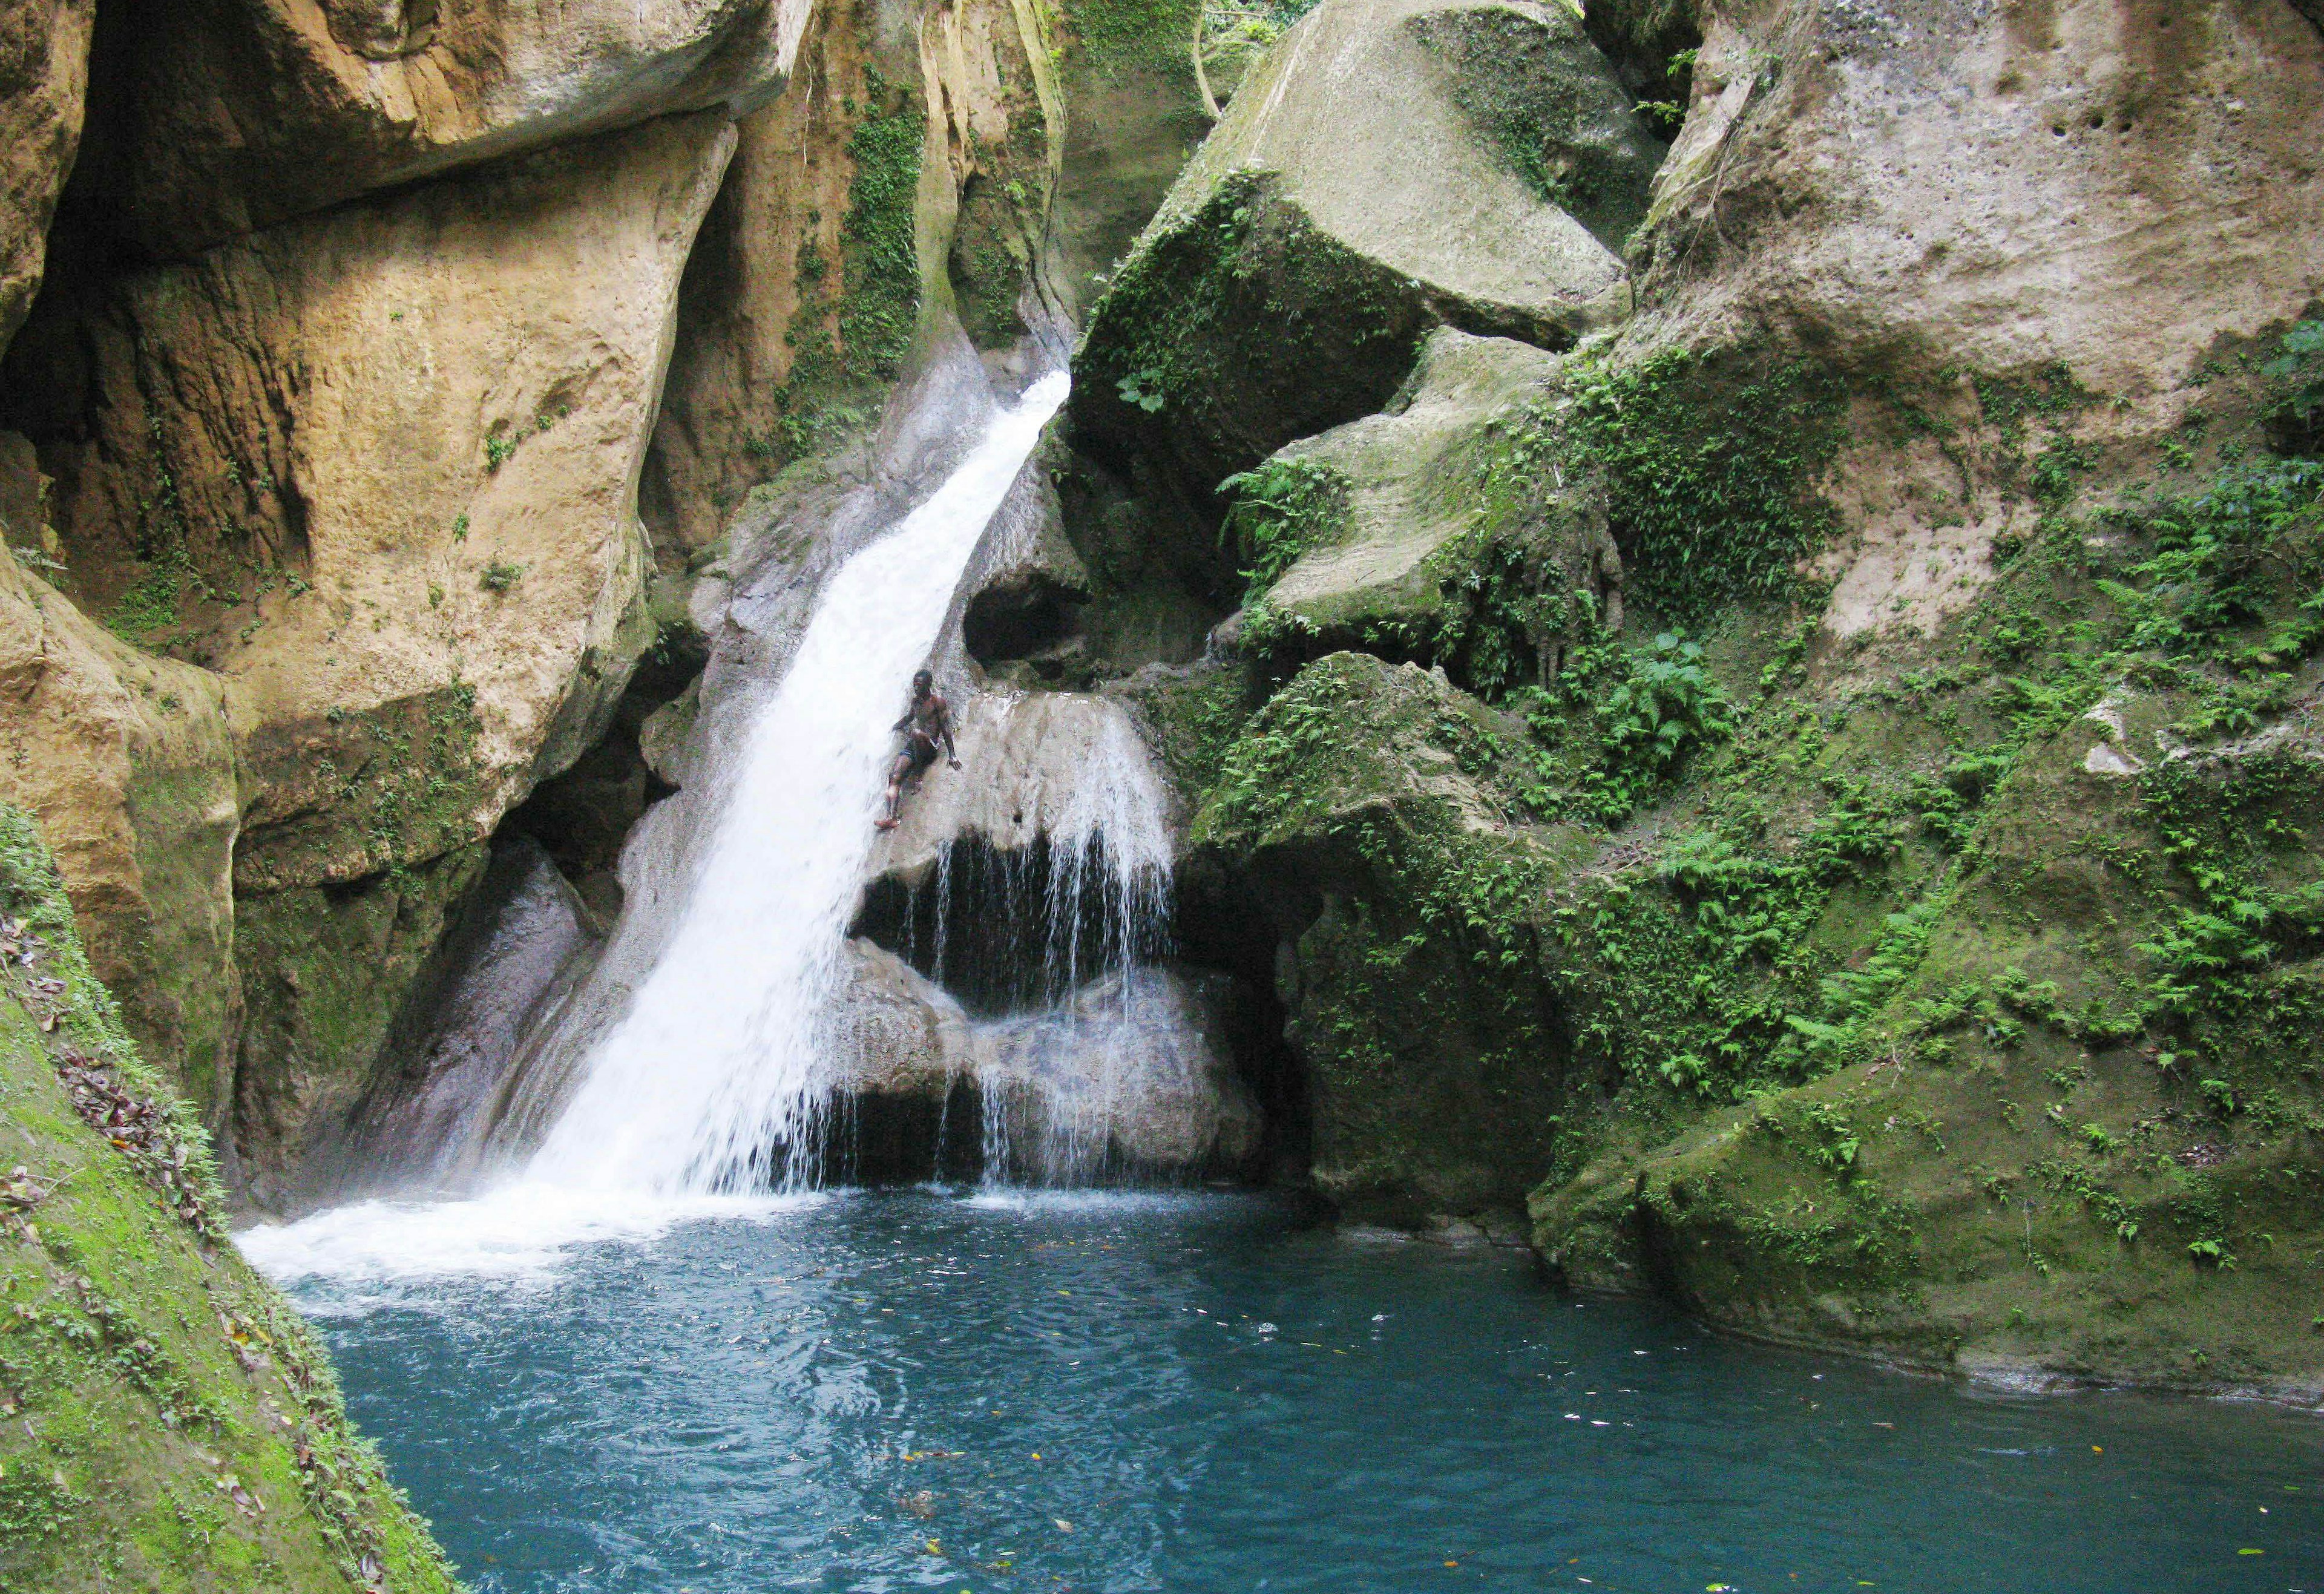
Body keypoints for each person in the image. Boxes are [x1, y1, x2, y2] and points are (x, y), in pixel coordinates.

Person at [875, 669, 959, 830]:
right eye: (914, 684)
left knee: (917, 733)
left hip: (930, 745)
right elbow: (909, 718)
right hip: (915, 745)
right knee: (894, 775)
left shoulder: (937, 702)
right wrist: (892, 728)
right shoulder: (916, 703)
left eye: (919, 685)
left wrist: (952, 755)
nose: (916, 687)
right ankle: (891, 818)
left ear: (928, 685)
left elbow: (946, 728)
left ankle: (919, 774)